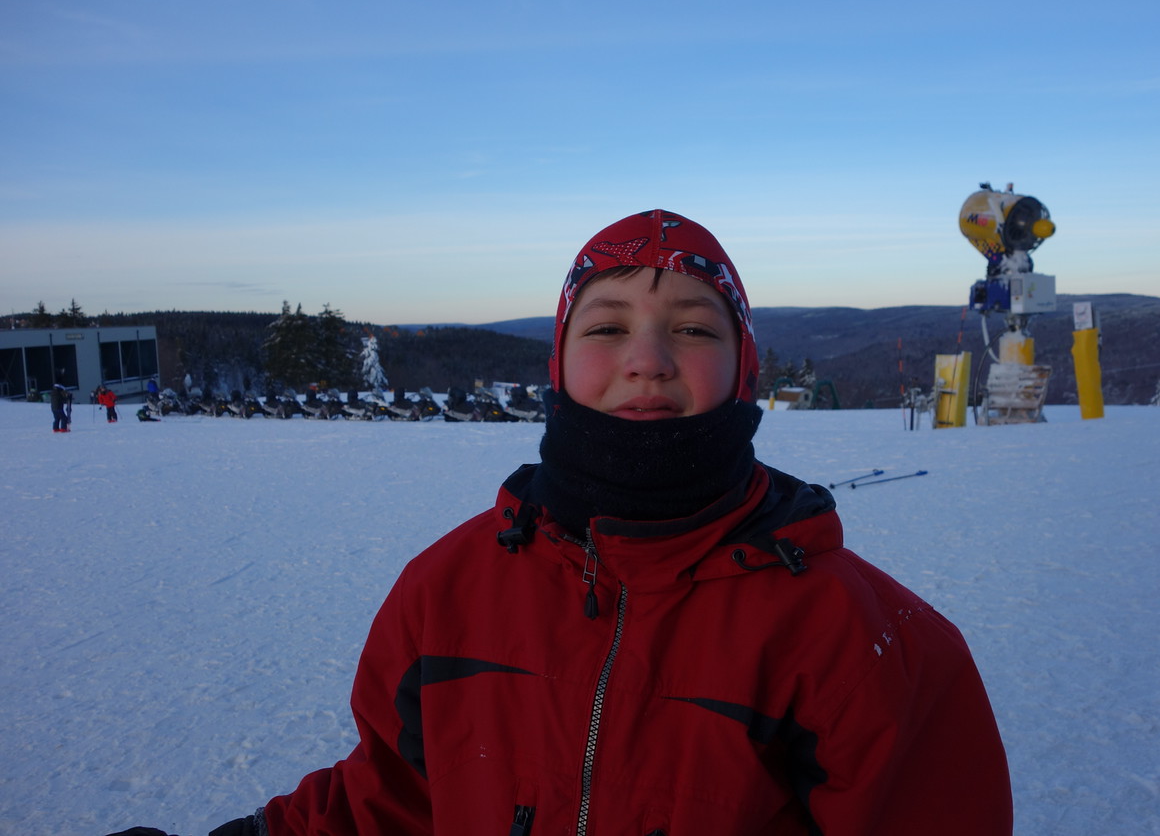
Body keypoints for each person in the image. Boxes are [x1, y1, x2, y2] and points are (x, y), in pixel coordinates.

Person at [109, 210, 1012, 836]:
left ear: (744, 367)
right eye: (607, 327)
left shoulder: (875, 647)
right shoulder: (446, 593)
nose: (647, 360)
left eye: (695, 329)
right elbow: (391, 806)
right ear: (560, 361)